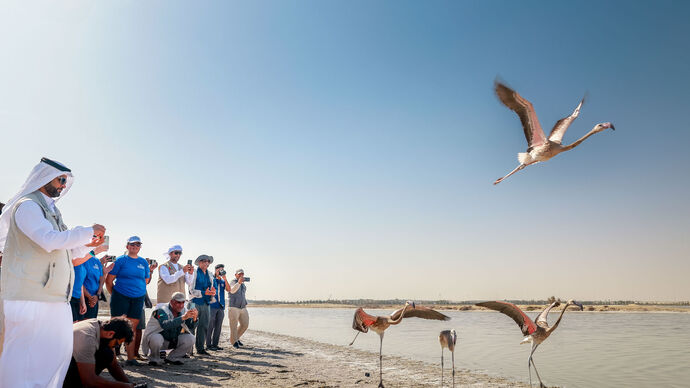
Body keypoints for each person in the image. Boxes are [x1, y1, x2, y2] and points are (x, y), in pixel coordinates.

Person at [0, 157, 106, 387]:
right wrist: (86, 231)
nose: (62, 185)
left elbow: (65, 251)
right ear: (44, 177)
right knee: (23, 357)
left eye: (65, 181)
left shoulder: (51, 212)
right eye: (60, 179)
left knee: (54, 354)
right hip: (29, 295)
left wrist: (89, 244)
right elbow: (48, 240)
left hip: (54, 297)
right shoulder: (28, 206)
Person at [106, 236, 155, 366]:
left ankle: (130, 358)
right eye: (132, 244)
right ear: (127, 246)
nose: (135, 246)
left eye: (138, 244)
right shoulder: (121, 260)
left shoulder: (143, 262)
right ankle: (109, 357)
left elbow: (145, 281)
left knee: (132, 329)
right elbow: (109, 280)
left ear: (140, 247)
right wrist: (116, 295)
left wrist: (137, 291)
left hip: (138, 298)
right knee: (115, 327)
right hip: (120, 296)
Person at [62, 316, 146, 388]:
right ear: (111, 334)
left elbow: (114, 365)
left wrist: (129, 384)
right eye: (116, 344)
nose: (115, 347)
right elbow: (89, 380)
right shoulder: (87, 338)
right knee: (105, 354)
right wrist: (122, 386)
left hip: (65, 360)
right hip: (57, 370)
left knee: (108, 354)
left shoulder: (102, 326)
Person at [141, 292, 198, 366]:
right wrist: (183, 317)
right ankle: (154, 358)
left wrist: (194, 318)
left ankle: (173, 357)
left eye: (183, 302)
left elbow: (191, 326)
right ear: (172, 302)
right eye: (178, 302)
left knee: (191, 338)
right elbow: (165, 325)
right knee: (156, 338)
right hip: (157, 341)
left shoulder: (184, 310)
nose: (181, 305)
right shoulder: (161, 310)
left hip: (172, 341)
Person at [185, 254, 215, 355]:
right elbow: (191, 290)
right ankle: (189, 350)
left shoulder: (210, 274)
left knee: (204, 326)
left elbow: (212, 287)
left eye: (208, 261)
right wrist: (203, 293)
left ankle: (200, 349)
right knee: (191, 326)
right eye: (204, 261)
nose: (206, 263)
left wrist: (212, 292)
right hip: (194, 302)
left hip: (206, 303)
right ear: (199, 262)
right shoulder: (194, 273)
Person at [156, 245, 194, 309]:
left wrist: (190, 274)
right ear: (170, 253)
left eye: (180, 253)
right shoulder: (163, 267)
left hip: (180, 303)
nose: (178, 255)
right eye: (176, 253)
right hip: (165, 303)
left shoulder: (182, 268)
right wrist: (182, 271)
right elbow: (168, 280)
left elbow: (189, 283)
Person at [207, 264, 229, 350]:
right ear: (216, 270)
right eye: (219, 270)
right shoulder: (211, 279)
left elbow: (228, 289)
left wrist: (225, 278)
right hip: (212, 305)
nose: (220, 271)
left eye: (222, 270)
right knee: (210, 326)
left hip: (221, 306)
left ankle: (215, 344)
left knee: (218, 326)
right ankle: (208, 345)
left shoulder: (223, 281)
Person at [228, 268, 249, 349]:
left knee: (245, 324)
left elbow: (243, 295)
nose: (241, 275)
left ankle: (236, 338)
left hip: (243, 307)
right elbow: (232, 290)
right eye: (239, 274)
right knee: (233, 325)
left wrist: (245, 302)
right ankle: (234, 342)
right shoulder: (233, 282)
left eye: (242, 274)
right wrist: (239, 283)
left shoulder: (243, 285)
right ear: (235, 275)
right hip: (233, 307)